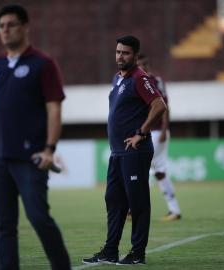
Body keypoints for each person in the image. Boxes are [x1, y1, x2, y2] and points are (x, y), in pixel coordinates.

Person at [0, 5, 70, 270]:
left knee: (39, 218)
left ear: (26, 27)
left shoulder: (43, 64)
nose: (5, 30)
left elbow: (54, 109)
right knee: (4, 226)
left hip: (31, 159)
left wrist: (49, 149)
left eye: (11, 24)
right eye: (1, 26)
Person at [82, 36, 167, 265]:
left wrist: (142, 131)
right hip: (118, 152)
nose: (120, 56)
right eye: (118, 52)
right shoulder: (118, 78)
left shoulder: (141, 78)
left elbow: (159, 105)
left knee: (137, 202)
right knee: (114, 200)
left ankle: (137, 253)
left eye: (126, 53)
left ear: (135, 55)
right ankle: (110, 251)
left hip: (135, 151)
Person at [137, 54, 182, 221]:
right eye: (139, 66)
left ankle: (135, 209)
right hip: (147, 131)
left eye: (144, 65)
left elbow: (164, 106)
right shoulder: (137, 82)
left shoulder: (156, 81)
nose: (142, 68)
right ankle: (174, 209)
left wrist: (164, 129)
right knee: (159, 171)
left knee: (141, 168)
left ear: (147, 66)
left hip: (156, 132)